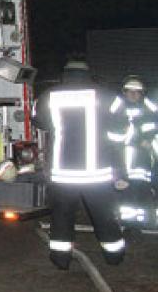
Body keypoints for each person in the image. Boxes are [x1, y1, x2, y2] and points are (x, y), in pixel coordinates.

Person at [34, 60, 126, 270]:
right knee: (103, 215)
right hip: (97, 173)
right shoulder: (108, 96)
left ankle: (60, 259)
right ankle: (114, 256)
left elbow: (38, 121)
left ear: (65, 74)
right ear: (88, 74)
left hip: (63, 173)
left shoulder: (48, 96)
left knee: (62, 216)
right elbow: (121, 132)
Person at [107, 75, 158, 227]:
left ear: (143, 93)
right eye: (130, 91)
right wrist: (137, 139)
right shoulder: (117, 108)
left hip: (142, 160)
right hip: (122, 160)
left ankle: (140, 223)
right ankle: (128, 223)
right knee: (125, 193)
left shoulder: (149, 108)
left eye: (137, 92)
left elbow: (151, 129)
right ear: (124, 92)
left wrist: (145, 139)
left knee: (142, 190)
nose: (133, 94)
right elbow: (113, 134)